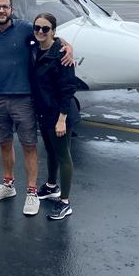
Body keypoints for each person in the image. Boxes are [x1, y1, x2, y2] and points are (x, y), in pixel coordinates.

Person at [0, 0, 72, 216]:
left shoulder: (24, 29)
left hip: (23, 98)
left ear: (11, 9)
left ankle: (31, 192)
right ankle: (8, 185)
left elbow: (48, 36)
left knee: (29, 146)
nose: (1, 10)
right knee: (4, 143)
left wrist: (66, 45)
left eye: (5, 6)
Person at [31, 13, 80, 220]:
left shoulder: (61, 54)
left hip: (61, 113)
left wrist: (62, 119)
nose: (40, 31)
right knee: (50, 150)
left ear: (53, 31)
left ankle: (65, 202)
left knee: (63, 154)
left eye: (45, 29)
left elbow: (68, 88)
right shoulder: (35, 49)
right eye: (37, 28)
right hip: (44, 111)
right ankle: (51, 186)